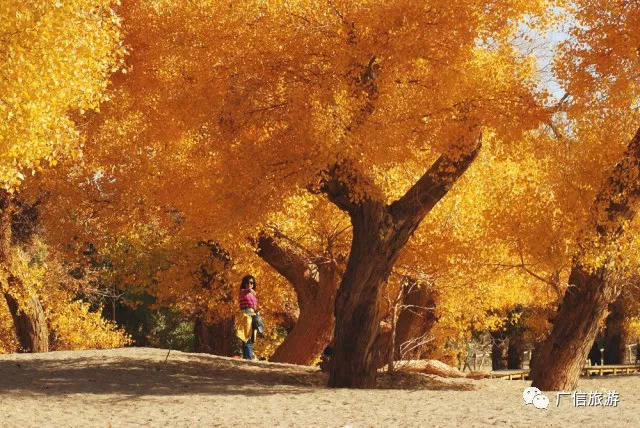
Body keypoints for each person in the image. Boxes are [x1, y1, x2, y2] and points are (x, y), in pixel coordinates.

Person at [236, 275, 258, 360]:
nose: (249, 284)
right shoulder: (242, 292)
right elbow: (246, 291)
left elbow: (255, 307)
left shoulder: (253, 295)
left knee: (251, 338)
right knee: (246, 337)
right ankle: (248, 359)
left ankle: (246, 358)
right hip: (245, 316)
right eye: (247, 282)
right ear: (244, 284)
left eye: (251, 283)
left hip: (253, 315)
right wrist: (252, 291)